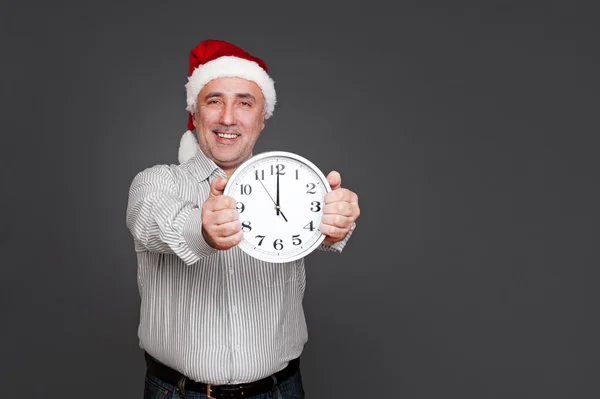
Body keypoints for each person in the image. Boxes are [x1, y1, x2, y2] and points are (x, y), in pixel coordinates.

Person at [126, 39, 360, 399]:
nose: (228, 118)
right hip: (180, 393)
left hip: (280, 391)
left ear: (262, 119)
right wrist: (203, 230)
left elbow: (323, 225)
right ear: (196, 113)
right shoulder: (157, 182)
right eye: (214, 100)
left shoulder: (296, 184)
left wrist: (334, 224)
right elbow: (153, 223)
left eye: (244, 103)